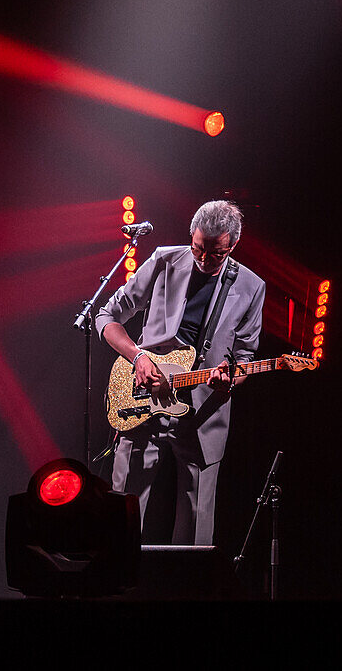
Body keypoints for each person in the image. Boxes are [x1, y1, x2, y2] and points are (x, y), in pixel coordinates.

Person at [96, 200, 265, 545]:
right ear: (192, 236)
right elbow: (106, 316)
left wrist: (230, 379)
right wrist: (138, 356)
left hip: (203, 412)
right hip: (144, 399)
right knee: (122, 513)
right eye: (198, 248)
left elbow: (245, 355)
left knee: (197, 527)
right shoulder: (164, 261)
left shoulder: (251, 286)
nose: (203, 260)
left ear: (232, 246)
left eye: (215, 254)